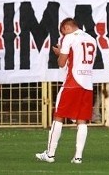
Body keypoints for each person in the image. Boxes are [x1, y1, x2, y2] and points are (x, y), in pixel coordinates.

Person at [35, 18, 96, 164]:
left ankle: (50, 154)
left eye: (63, 31)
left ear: (67, 27)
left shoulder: (69, 38)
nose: (62, 36)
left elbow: (62, 63)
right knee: (82, 121)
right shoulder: (91, 39)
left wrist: (59, 53)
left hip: (72, 83)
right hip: (87, 84)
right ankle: (78, 156)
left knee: (59, 116)